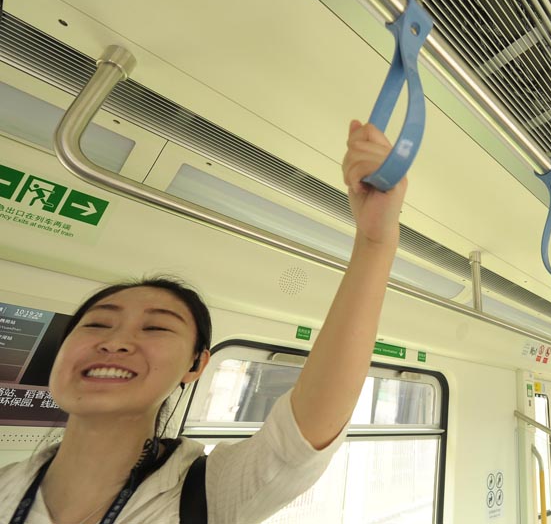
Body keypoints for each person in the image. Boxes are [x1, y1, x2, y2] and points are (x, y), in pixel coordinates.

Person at [0, 120, 406, 523]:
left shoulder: (208, 493)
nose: (117, 341)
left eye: (156, 327)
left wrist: (375, 243)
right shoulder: (6, 488)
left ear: (196, 364)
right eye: (97, 325)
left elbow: (303, 433)